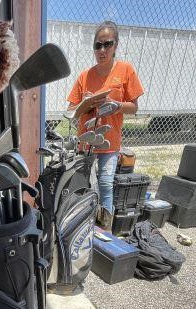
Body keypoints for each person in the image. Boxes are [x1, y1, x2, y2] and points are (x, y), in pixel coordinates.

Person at [67, 20, 144, 231]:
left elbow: (134, 107)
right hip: (86, 142)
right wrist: (86, 104)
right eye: (97, 45)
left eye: (107, 44)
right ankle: (83, 227)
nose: (101, 50)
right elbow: (71, 109)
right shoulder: (85, 76)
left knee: (105, 185)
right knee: (83, 185)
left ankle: (105, 231)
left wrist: (116, 105)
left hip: (109, 143)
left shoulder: (125, 70)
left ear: (115, 45)